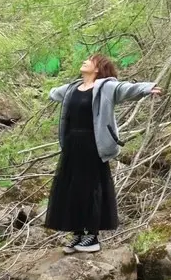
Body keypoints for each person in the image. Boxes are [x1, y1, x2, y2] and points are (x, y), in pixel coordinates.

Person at [45, 54, 160, 254]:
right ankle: (78, 234)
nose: (84, 61)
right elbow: (54, 94)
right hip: (72, 146)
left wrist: (146, 88)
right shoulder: (73, 88)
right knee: (72, 189)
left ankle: (93, 236)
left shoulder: (106, 87)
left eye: (89, 60)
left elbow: (126, 89)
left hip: (93, 145)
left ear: (98, 68)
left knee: (91, 188)